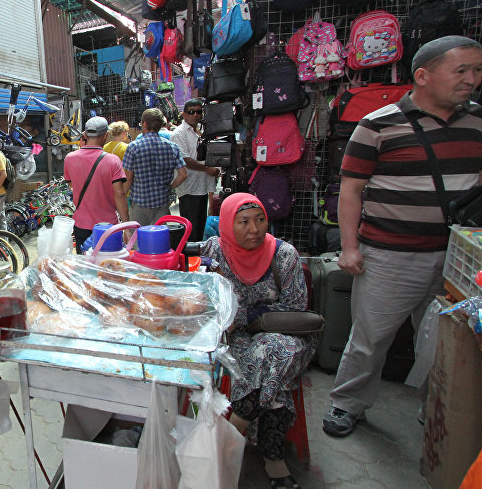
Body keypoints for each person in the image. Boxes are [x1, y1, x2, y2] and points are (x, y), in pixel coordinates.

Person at [323, 36, 482, 437]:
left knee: (447, 344)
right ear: (423, 75)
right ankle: (347, 403)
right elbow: (351, 190)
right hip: (389, 256)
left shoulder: (478, 123)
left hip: (459, 260)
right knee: (371, 337)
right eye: (460, 70)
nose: (471, 80)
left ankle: (439, 411)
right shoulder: (376, 125)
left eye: (477, 70)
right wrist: (350, 247)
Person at [201, 192, 315, 489]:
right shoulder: (215, 252)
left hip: (289, 337)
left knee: (273, 349)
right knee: (271, 370)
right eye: (244, 222)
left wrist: (246, 314)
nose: (255, 229)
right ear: (227, 224)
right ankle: (272, 457)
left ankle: (238, 423)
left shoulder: (284, 254)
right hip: (239, 340)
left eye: (260, 219)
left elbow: (296, 307)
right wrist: (254, 314)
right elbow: (213, 304)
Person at [63, 116, 129, 251]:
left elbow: (72, 185)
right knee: (109, 266)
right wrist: (126, 226)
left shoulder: (70, 158)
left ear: (85, 135)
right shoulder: (113, 161)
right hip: (108, 226)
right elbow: (119, 194)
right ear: (105, 135)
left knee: (86, 268)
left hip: (82, 224)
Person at [122, 108, 187, 227]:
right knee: (159, 240)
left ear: (145, 124)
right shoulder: (172, 147)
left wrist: (120, 200)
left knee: (138, 240)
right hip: (162, 203)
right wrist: (169, 187)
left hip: (140, 204)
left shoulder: (134, 147)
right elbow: (183, 174)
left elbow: (129, 179)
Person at [170, 99, 220, 242]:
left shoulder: (203, 132)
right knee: (190, 228)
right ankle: (190, 259)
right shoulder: (179, 133)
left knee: (199, 227)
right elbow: (184, 159)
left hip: (203, 185)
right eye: (192, 112)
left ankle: (197, 258)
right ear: (184, 114)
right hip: (189, 187)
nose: (195, 115)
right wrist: (206, 169)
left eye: (199, 112)